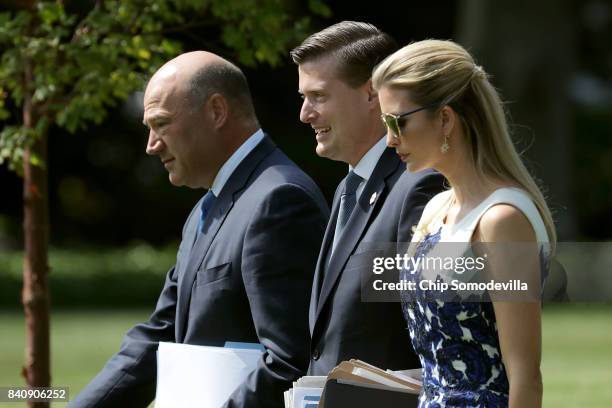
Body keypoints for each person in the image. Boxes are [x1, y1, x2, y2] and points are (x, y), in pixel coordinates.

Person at [69, 51, 329, 408]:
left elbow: (290, 362)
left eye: (161, 124)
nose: (151, 145)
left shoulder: (279, 201)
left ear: (216, 111)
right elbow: (157, 338)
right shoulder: (206, 208)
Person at [373, 39, 556, 407]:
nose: (390, 139)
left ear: (445, 118)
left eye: (398, 122)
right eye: (385, 123)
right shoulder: (436, 208)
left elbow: (526, 379)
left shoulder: (503, 219)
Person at [291, 21, 445, 376]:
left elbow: (433, 332)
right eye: (304, 98)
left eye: (318, 96)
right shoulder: (348, 188)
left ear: (372, 95)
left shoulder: (420, 186)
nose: (305, 113)